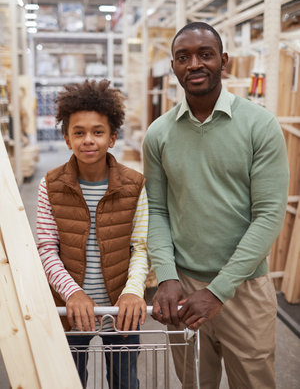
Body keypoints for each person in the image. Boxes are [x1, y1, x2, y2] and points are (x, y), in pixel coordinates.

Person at [142, 22, 289, 389]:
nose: (194, 64)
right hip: (184, 289)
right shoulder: (159, 134)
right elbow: (157, 211)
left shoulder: (260, 125)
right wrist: (166, 276)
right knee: (193, 383)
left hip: (245, 289)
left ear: (223, 60)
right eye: (183, 57)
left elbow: (269, 215)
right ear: (173, 66)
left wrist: (219, 290)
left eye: (205, 54)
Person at [36, 79, 148, 389]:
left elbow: (140, 247)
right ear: (66, 137)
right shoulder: (51, 184)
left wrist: (132, 291)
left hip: (121, 310)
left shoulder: (134, 185)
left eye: (98, 132)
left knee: (125, 382)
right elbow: (46, 248)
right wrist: (72, 292)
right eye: (79, 132)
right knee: (70, 381)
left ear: (112, 138)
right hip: (70, 311)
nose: (88, 140)